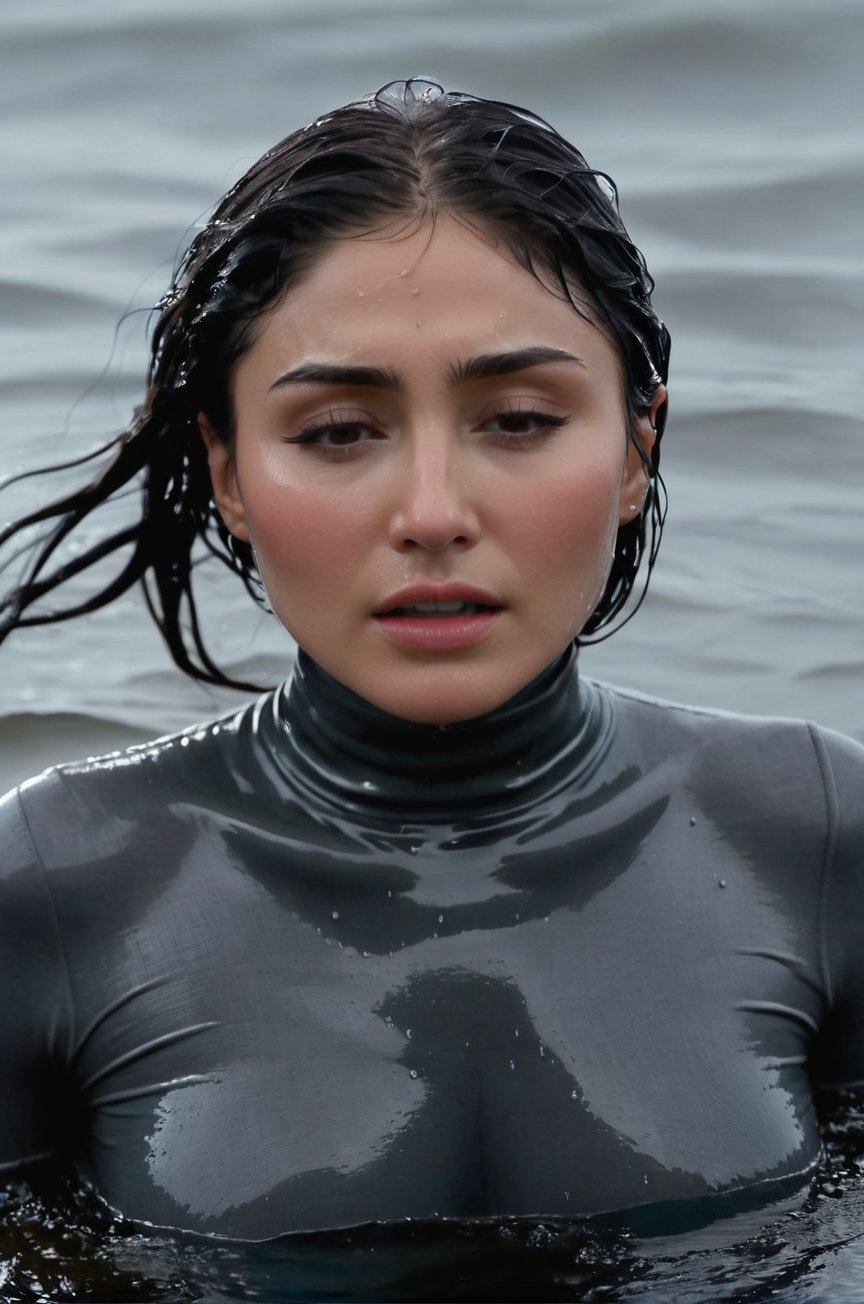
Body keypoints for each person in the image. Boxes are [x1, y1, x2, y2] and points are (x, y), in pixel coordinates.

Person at [0, 78, 862, 1249]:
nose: (433, 511)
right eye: (339, 431)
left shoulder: (814, 837)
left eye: (517, 418)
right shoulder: (56, 889)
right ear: (233, 471)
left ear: (635, 450)